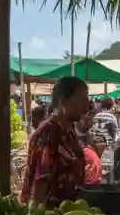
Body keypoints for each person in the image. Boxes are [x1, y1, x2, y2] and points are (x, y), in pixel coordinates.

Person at [22, 77, 90, 206]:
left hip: (65, 214)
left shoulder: (68, 130)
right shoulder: (48, 132)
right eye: (82, 100)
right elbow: (40, 183)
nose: (87, 106)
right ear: (63, 102)